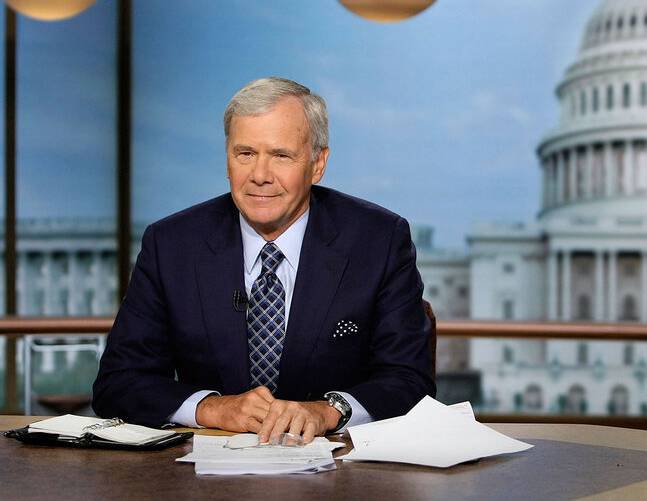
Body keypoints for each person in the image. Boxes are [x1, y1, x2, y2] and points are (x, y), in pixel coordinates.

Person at [92, 77, 435, 443]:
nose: (259, 176)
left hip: (338, 477)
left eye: (281, 155)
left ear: (318, 164)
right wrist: (212, 408)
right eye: (246, 154)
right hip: (201, 477)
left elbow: (409, 381)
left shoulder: (378, 240)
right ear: (227, 159)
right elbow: (118, 382)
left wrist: (327, 410)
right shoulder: (172, 244)